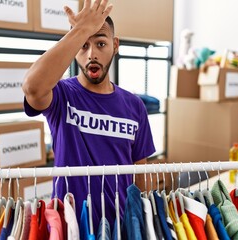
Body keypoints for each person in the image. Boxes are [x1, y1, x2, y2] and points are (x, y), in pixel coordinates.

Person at [22, 0, 155, 235]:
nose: (91, 54)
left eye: (101, 43)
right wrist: (80, 30)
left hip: (120, 227)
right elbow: (32, 87)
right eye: (83, 46)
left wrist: (141, 225)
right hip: (70, 225)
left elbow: (140, 174)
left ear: (115, 46)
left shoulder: (134, 105)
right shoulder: (61, 95)